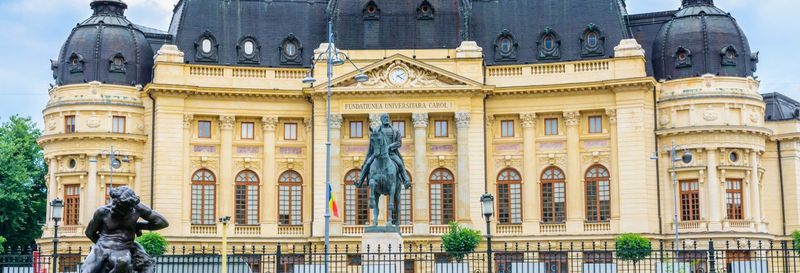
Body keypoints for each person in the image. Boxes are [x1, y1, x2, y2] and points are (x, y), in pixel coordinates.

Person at [81, 186, 169, 273]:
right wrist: (102, 244)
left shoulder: (137, 209)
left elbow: (162, 223)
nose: (113, 207)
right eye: (113, 202)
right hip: (101, 247)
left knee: (123, 262)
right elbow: (89, 232)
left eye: (118, 205)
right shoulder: (102, 212)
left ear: (129, 206)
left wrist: (138, 226)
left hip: (122, 249)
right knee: (87, 271)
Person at [358, 113, 411, 189]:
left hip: (391, 153)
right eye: (384, 117)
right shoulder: (376, 130)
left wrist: (389, 146)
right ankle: (360, 181)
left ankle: (406, 180)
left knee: (400, 163)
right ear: (381, 119)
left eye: (387, 117)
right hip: (378, 153)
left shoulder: (395, 130)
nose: (386, 119)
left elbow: (399, 142)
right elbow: (373, 142)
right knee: (367, 163)